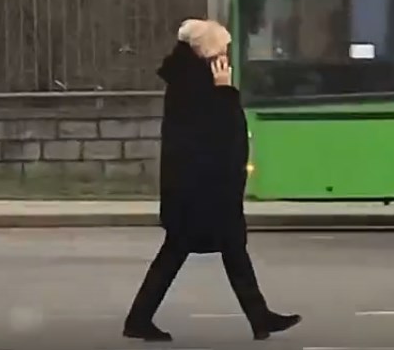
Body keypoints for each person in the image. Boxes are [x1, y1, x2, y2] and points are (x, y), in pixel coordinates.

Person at [122, 19, 301, 342]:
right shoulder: (196, 84)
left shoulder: (188, 79)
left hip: (198, 189)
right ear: (206, 51)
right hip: (200, 191)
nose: (226, 57)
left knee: (228, 250)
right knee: (184, 254)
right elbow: (222, 131)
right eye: (222, 49)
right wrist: (225, 91)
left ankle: (259, 318)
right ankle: (139, 319)